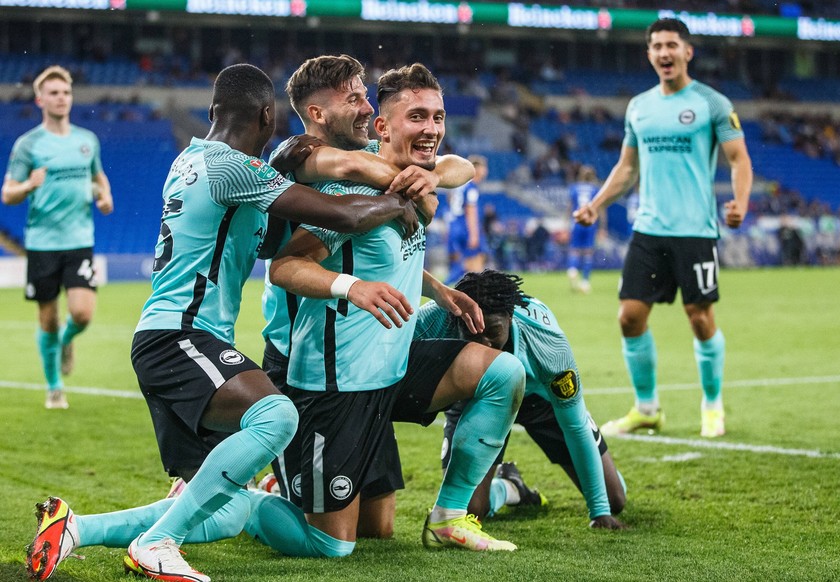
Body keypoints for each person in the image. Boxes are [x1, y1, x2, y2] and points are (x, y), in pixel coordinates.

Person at [26, 63, 425, 582]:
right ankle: (157, 544)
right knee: (278, 416)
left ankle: (75, 528)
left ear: (214, 112)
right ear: (266, 115)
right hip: (182, 336)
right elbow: (344, 216)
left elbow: (266, 245)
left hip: (170, 341)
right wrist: (400, 199)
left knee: (225, 508)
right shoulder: (231, 166)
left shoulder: (191, 160)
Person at [269, 63, 525, 554]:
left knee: (503, 373)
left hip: (394, 366)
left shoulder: (418, 177)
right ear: (383, 128)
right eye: (417, 117)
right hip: (337, 380)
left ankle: (452, 516)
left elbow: (462, 167)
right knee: (332, 545)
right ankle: (241, 501)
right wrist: (352, 287)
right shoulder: (352, 188)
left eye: (438, 116)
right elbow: (285, 267)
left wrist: (436, 289)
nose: (430, 128)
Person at [574, 18, 753, 439]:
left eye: (672, 44)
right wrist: (597, 205)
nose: (664, 52)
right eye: (656, 46)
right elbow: (627, 167)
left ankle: (712, 404)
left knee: (700, 318)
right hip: (649, 230)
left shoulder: (713, 103)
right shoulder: (639, 107)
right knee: (629, 317)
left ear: (687, 52)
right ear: (649, 54)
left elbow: (739, 159)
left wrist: (741, 204)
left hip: (695, 230)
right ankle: (648, 408)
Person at [414, 269, 625, 528]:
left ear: (510, 317)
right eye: (472, 332)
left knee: (613, 499)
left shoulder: (547, 341)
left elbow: (574, 424)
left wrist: (600, 511)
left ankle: (601, 494)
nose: (484, 344)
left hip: (538, 400)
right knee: (470, 510)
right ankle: (509, 487)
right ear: (455, 319)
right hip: (476, 398)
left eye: (492, 330)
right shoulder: (436, 318)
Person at [2, 65, 114, 410]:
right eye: (53, 93)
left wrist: (105, 196)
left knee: (81, 314)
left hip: (79, 239)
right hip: (42, 243)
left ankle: (67, 341)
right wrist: (27, 185)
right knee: (47, 318)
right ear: (40, 99)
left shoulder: (86, 140)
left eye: (65, 92)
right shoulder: (28, 145)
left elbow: (100, 178)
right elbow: (8, 193)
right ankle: (54, 386)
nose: (60, 98)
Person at [445, 154, 489, 283]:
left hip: (454, 226)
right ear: (476, 169)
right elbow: (471, 211)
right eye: (484, 168)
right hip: (465, 227)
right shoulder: (471, 188)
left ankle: (448, 284)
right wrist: (474, 234)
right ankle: (474, 291)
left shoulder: (459, 185)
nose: (486, 171)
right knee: (475, 263)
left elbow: (450, 202)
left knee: (459, 262)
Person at [567, 165, 605, 294]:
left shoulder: (574, 188)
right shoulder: (595, 190)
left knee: (574, 251)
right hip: (590, 223)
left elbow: (570, 206)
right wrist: (602, 227)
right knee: (588, 252)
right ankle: (585, 282)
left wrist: (567, 222)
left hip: (577, 222)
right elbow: (601, 209)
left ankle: (572, 269)